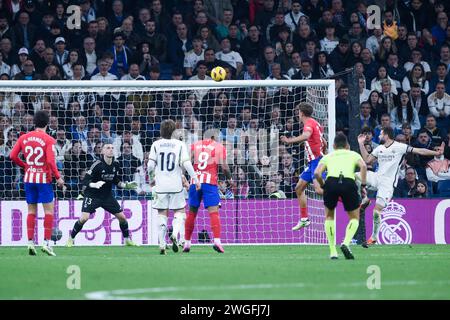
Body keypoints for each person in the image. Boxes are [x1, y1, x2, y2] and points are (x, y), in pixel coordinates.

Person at [357, 127, 444, 245]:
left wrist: (436, 153)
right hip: (377, 177)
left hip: (387, 184)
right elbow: (367, 160)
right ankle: (365, 198)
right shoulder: (380, 148)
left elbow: (420, 151)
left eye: (381, 133)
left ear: (386, 135)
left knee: (376, 211)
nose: (378, 136)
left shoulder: (400, 147)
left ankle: (373, 237)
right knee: (355, 176)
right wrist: (361, 144)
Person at [9, 111, 65, 256]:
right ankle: (46, 243)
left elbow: (12, 156)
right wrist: (58, 177)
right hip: (43, 179)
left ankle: (29, 242)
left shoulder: (24, 137)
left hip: (29, 178)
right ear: (47, 123)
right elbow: (51, 161)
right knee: (48, 211)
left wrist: (25, 166)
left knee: (31, 211)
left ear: (34, 122)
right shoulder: (49, 140)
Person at [66, 144, 139, 247]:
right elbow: (85, 180)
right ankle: (71, 238)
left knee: (122, 218)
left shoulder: (116, 164)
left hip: (107, 196)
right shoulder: (97, 164)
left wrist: (126, 186)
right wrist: (94, 185)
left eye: (112, 148)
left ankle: (127, 240)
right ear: (102, 151)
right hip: (92, 195)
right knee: (84, 218)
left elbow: (115, 180)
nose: (111, 150)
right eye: (108, 148)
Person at [147, 120, 201, 255]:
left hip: (160, 185)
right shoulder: (180, 144)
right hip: (176, 184)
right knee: (180, 212)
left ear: (161, 131)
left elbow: (149, 166)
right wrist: (195, 178)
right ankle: (175, 234)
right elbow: (187, 164)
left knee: (161, 213)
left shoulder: (156, 144)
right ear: (174, 131)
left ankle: (162, 244)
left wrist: (151, 178)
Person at [314, 133, 367, 259]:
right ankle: (346, 243)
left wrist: (323, 185)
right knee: (354, 218)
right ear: (347, 146)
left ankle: (333, 251)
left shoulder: (328, 156)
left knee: (329, 217)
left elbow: (317, 173)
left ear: (333, 146)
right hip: (348, 182)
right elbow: (364, 166)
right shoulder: (353, 154)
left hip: (331, 182)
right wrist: (363, 185)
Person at [184, 129, 232, 254]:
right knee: (213, 213)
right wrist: (230, 179)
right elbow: (224, 167)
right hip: (210, 183)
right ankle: (217, 241)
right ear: (214, 136)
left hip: (195, 182)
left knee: (192, 213)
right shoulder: (218, 147)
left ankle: (187, 243)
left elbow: (186, 162)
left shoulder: (194, 145)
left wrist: (185, 178)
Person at [280, 102, 327, 231]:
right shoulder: (316, 123)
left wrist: (289, 141)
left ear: (301, 113)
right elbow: (324, 142)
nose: (297, 114)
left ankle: (346, 199)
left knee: (318, 190)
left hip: (317, 161)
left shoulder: (309, 124)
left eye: (298, 112)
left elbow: (306, 136)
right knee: (299, 188)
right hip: (313, 161)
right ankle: (304, 219)